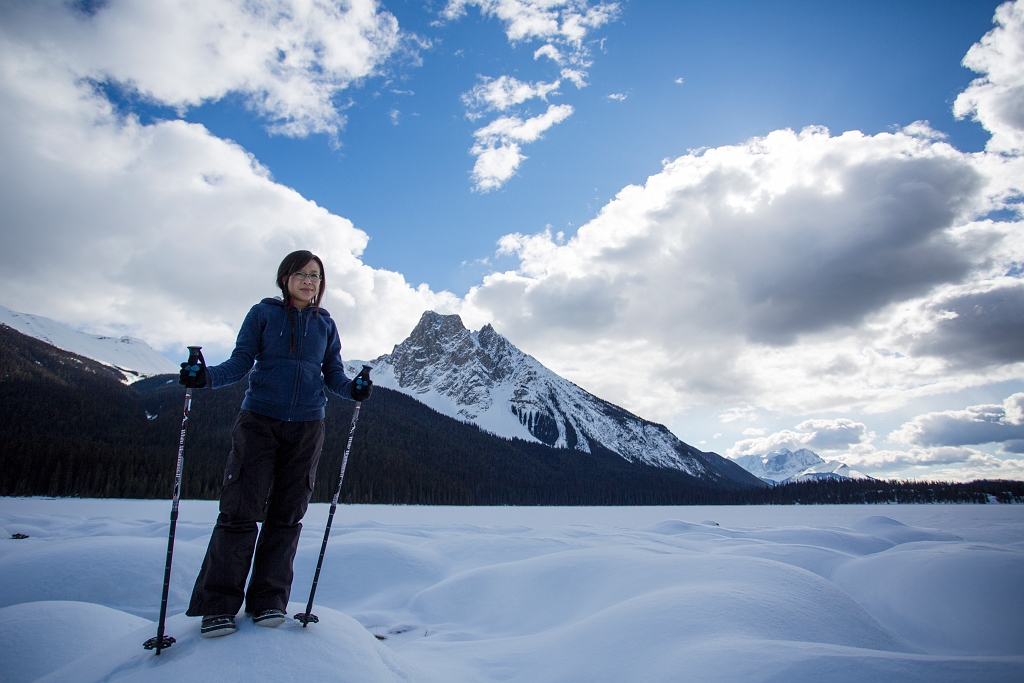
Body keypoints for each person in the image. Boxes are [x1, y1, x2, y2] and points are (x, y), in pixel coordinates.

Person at [179, 250, 372, 638]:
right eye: (300, 273)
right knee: (239, 511)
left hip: (307, 426)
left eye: (315, 276)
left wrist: (352, 388)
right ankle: (218, 606)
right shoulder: (262, 314)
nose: (308, 281)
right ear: (284, 277)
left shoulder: (325, 324)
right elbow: (240, 362)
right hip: (259, 422)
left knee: (287, 516)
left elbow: (332, 373)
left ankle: (269, 600)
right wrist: (205, 378)